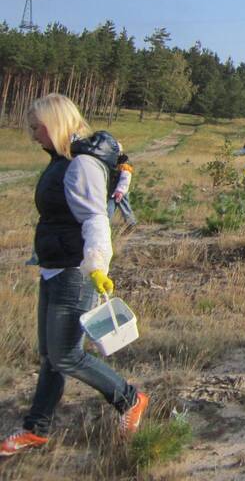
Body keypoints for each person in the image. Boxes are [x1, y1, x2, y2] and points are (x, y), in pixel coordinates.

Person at [1, 94, 149, 457]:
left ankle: (130, 399)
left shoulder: (81, 165)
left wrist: (97, 266)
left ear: (54, 124)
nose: (33, 135)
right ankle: (37, 429)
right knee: (51, 355)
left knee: (67, 355)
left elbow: (95, 218)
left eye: (36, 128)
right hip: (54, 269)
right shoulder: (61, 161)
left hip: (75, 271)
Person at [107, 144, 137, 231]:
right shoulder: (112, 161)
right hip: (112, 190)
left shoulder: (124, 163)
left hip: (120, 191)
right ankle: (131, 223)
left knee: (121, 207)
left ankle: (131, 223)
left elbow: (126, 178)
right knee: (113, 207)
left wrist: (120, 191)